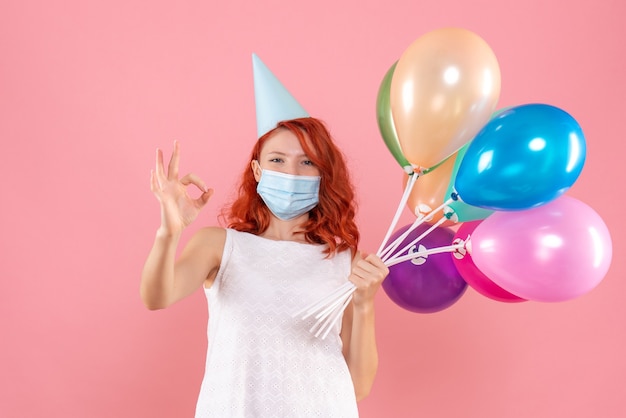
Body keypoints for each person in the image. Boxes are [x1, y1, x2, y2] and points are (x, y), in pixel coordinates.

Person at [140, 55, 389, 417]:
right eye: (277, 160)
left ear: (323, 175)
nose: (292, 171)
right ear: (257, 170)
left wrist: (365, 303)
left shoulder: (346, 262)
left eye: (307, 162)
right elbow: (156, 297)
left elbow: (358, 388)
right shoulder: (219, 246)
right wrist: (169, 232)